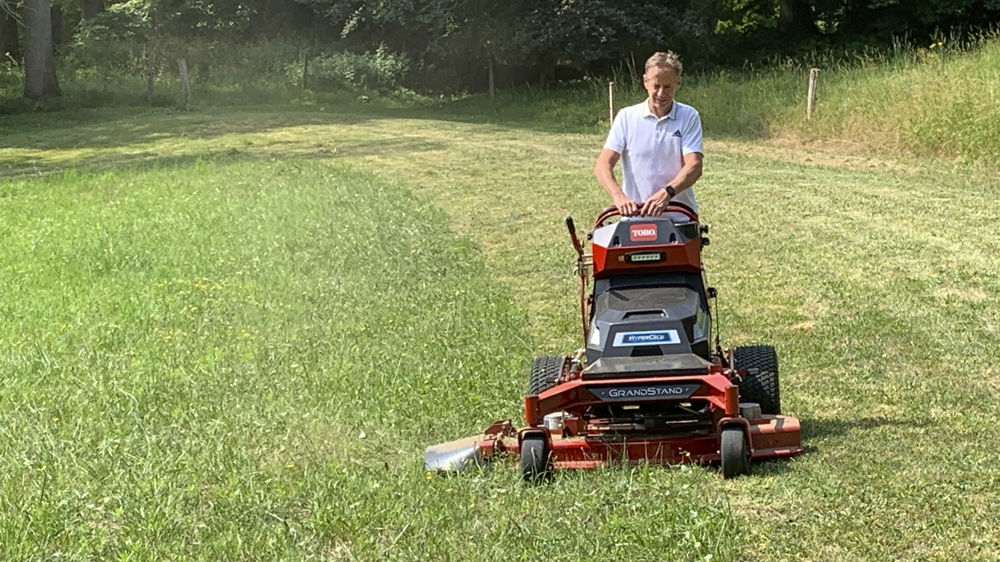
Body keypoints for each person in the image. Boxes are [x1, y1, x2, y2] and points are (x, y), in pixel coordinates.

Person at [594, 51, 704, 220]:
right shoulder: (626, 117)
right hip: (636, 218)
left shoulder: (688, 116)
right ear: (645, 82)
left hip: (678, 216)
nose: (661, 93)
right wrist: (618, 196)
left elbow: (694, 166)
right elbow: (603, 164)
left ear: (678, 84)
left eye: (667, 87)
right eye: (656, 86)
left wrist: (667, 193)